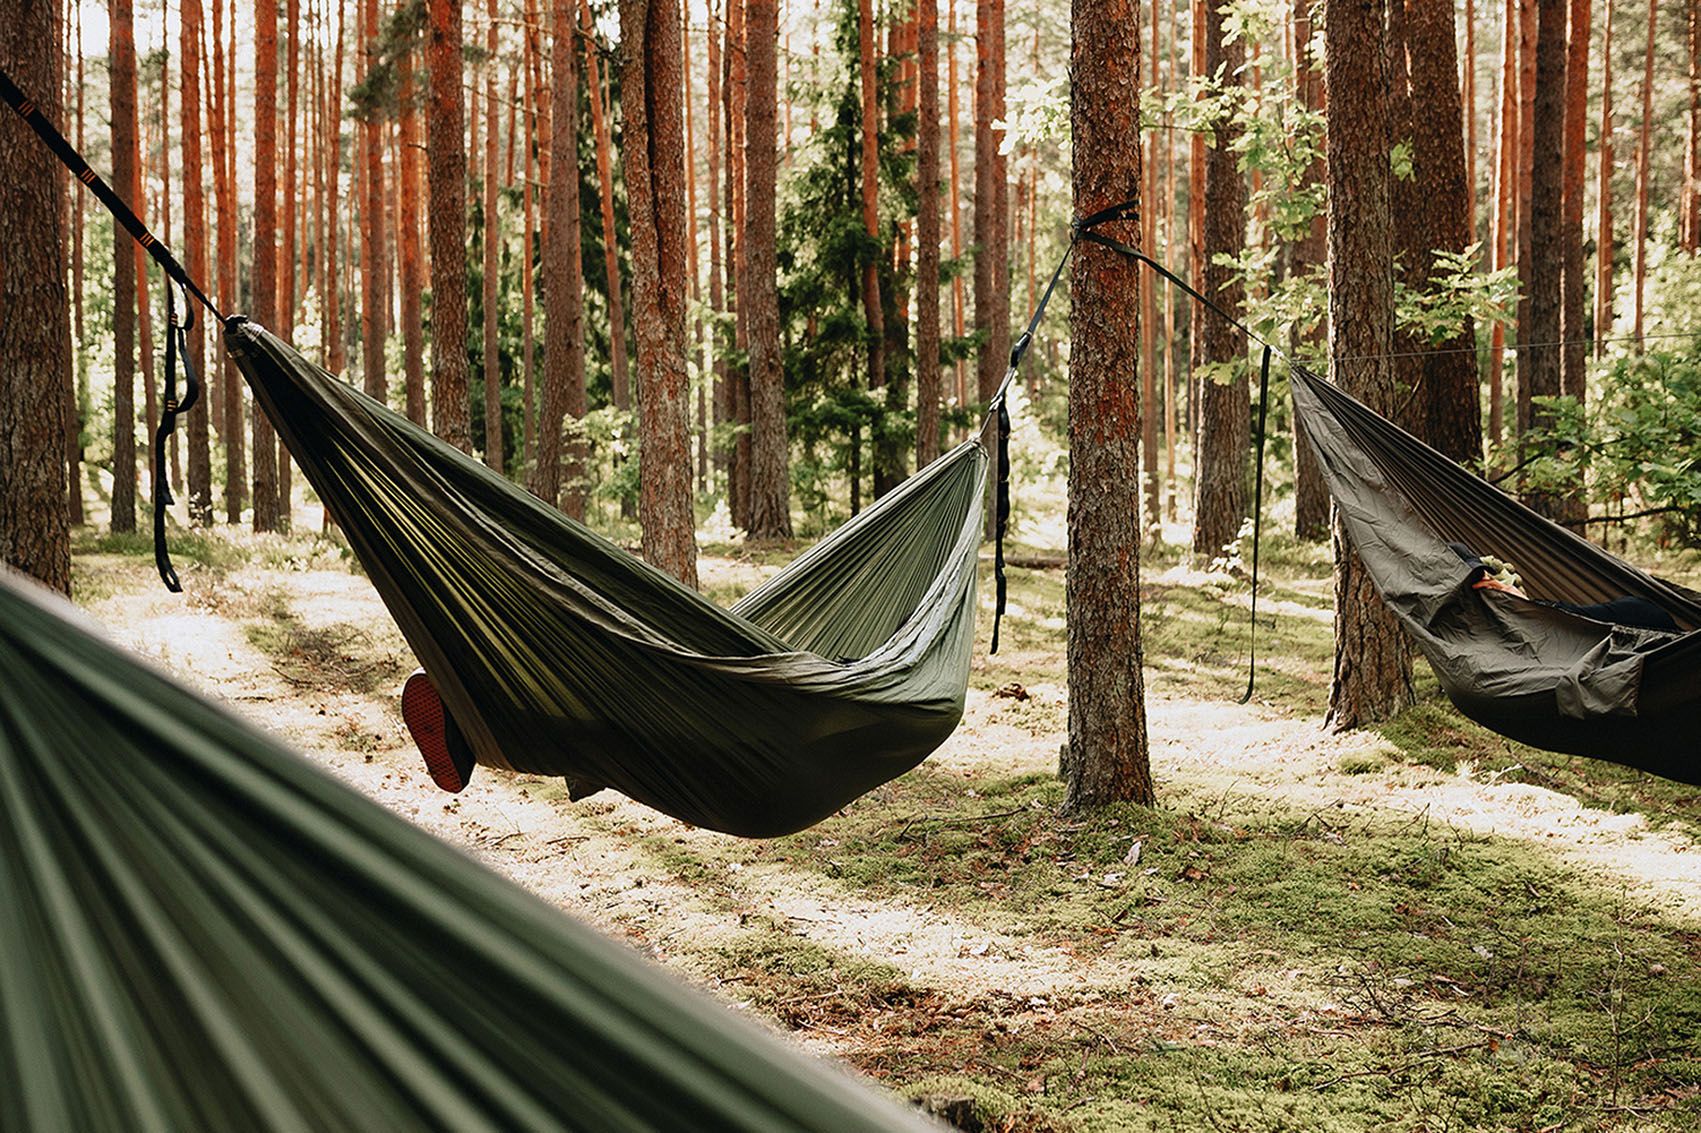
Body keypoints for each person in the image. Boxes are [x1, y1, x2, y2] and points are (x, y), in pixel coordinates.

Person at [1449, 543, 1680, 633]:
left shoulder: (1499, 590)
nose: (1484, 576)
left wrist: (1519, 600)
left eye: (1483, 571)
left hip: (1635, 615)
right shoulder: (1468, 608)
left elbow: (1565, 617)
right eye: (1477, 575)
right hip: (1588, 627)